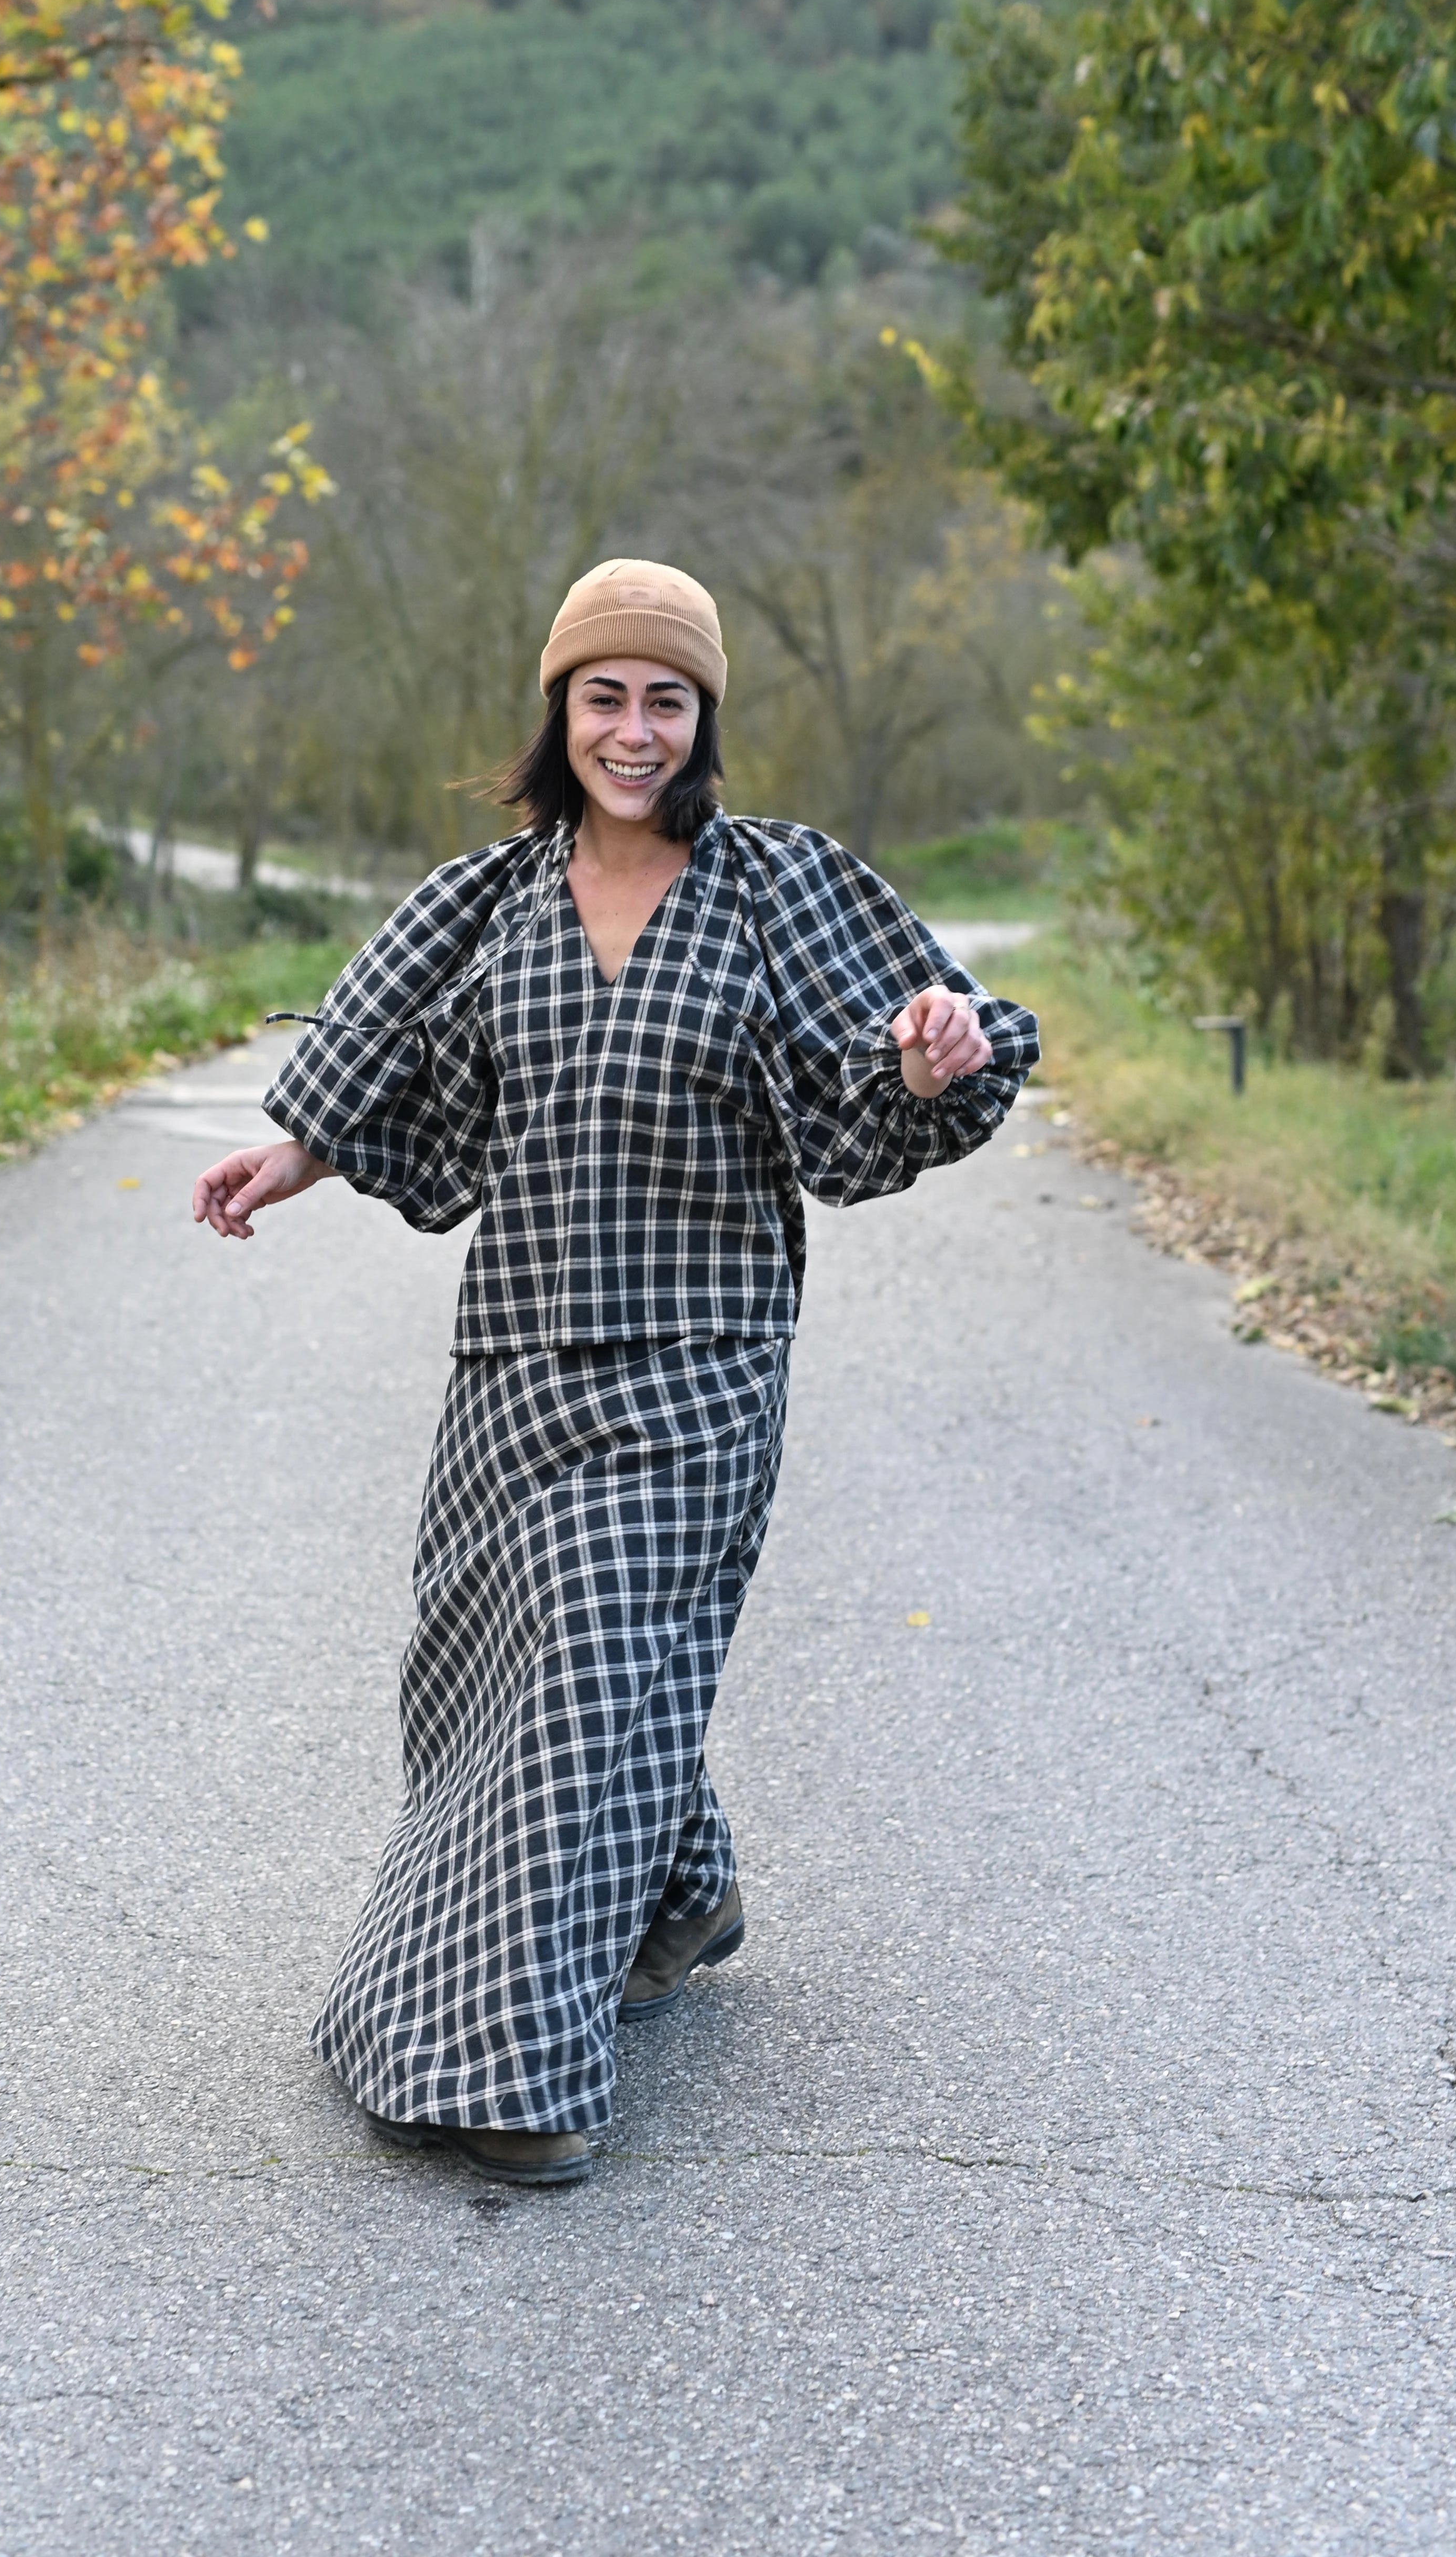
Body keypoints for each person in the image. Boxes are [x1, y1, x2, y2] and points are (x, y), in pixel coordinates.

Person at [191, 557, 1040, 2189]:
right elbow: (369, 1059)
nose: (635, 730)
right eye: (605, 695)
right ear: (558, 710)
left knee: (588, 1662)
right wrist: (291, 1154)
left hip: (703, 1363)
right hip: (515, 1359)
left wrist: (943, 1051)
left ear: (704, 716)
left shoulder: (787, 890)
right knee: (505, 1674)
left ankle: (510, 2070)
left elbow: (953, 1034)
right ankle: (681, 1892)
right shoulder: (484, 904)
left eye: (666, 699)